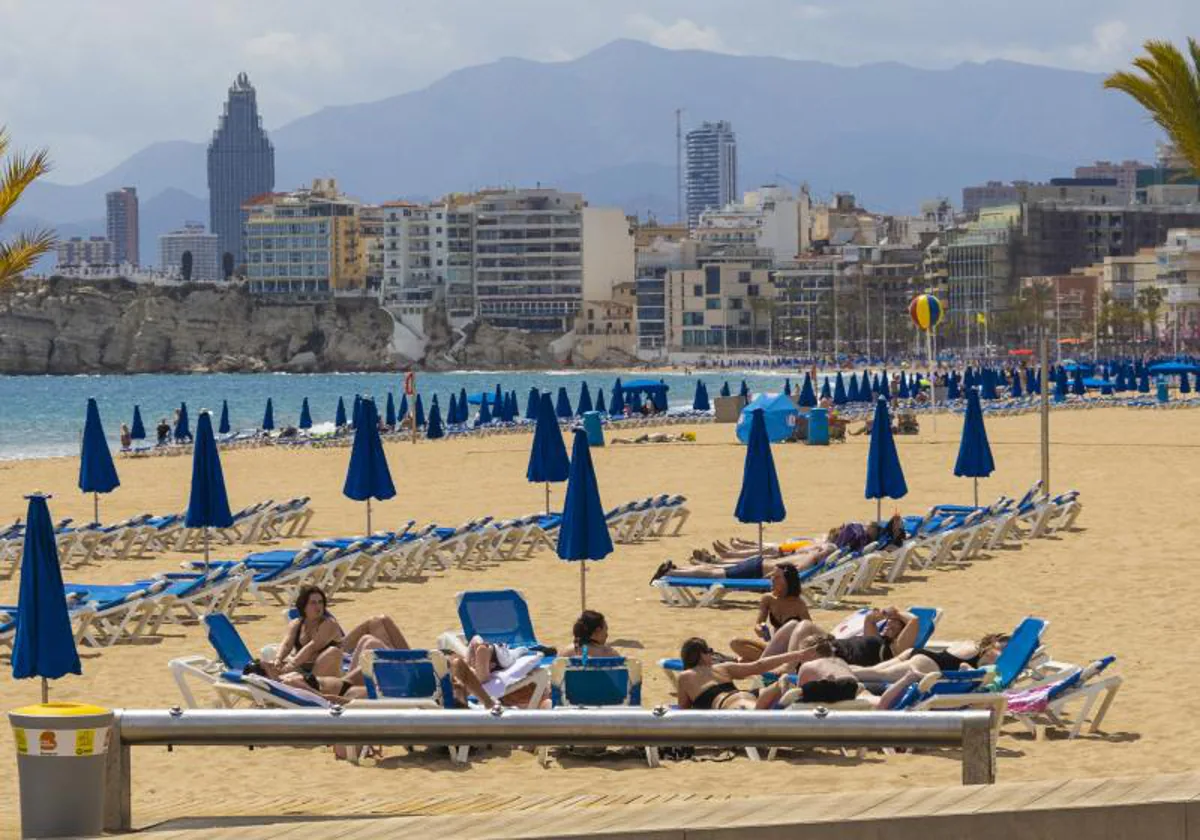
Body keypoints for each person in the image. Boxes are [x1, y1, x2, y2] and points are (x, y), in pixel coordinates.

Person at [270, 585, 410, 698]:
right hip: (318, 678)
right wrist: (278, 659)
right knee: (370, 640)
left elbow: (313, 646)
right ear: (303, 606)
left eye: (320, 602)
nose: (318, 606)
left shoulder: (328, 623)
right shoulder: (296, 624)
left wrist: (290, 665)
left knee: (377, 626)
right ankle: (407, 664)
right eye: (313, 603)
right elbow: (287, 644)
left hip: (330, 674)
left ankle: (408, 662)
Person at [676, 637, 810, 710]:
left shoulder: (684, 677)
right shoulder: (723, 667)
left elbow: (684, 708)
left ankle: (774, 694)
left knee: (748, 709)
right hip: (748, 694)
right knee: (761, 694)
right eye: (709, 651)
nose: (712, 654)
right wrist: (796, 655)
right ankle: (777, 688)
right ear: (701, 654)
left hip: (729, 703)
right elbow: (758, 666)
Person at [779, 606, 923, 667]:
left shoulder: (896, 649)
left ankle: (788, 667)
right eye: (888, 622)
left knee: (805, 625)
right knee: (793, 624)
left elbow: (914, 620)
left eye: (895, 624)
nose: (888, 624)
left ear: (903, 631)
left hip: (837, 656)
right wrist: (884, 613)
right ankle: (766, 666)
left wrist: (896, 613)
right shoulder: (878, 639)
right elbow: (870, 619)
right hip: (834, 644)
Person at [849, 633, 1010, 685]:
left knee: (873, 671)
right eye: (1001, 648)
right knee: (878, 675)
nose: (1000, 653)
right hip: (926, 664)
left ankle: (841, 669)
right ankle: (837, 674)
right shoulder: (983, 652)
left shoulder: (970, 644)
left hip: (917, 654)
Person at [729, 564, 811, 661]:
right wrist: (760, 629)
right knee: (735, 643)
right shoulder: (768, 599)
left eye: (777, 577)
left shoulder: (798, 604)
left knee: (744, 660)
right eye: (772, 576)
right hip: (773, 648)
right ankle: (766, 662)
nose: (772, 579)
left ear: (788, 580)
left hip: (790, 652)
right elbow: (758, 624)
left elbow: (810, 631)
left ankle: (761, 662)